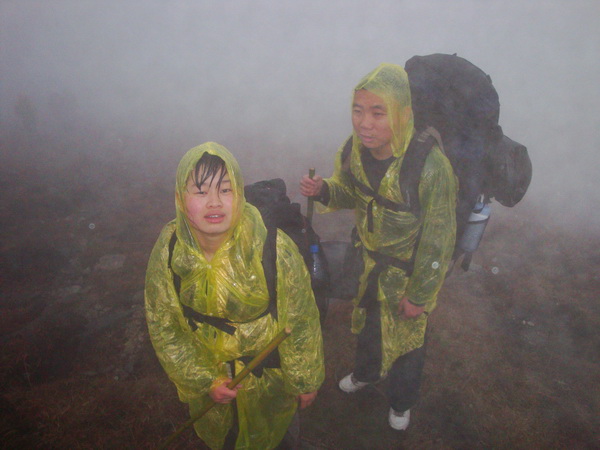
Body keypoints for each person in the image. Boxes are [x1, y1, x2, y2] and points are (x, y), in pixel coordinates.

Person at [300, 63, 457, 430]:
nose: (364, 124)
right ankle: (366, 374)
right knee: (369, 325)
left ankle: (401, 402)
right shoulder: (355, 150)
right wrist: (324, 190)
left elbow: (439, 238)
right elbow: (351, 192)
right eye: (358, 111)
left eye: (377, 113)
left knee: (407, 341)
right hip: (367, 263)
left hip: (406, 273)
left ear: (402, 113)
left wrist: (419, 295)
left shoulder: (429, 166)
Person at [146, 142, 325, 449]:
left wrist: (304, 380)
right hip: (211, 388)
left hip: (270, 379)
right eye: (200, 191)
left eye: (226, 190)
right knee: (224, 439)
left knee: (276, 438)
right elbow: (163, 324)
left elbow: (301, 319)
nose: (214, 202)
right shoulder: (170, 247)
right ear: (180, 198)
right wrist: (206, 380)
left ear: (240, 194)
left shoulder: (272, 246)